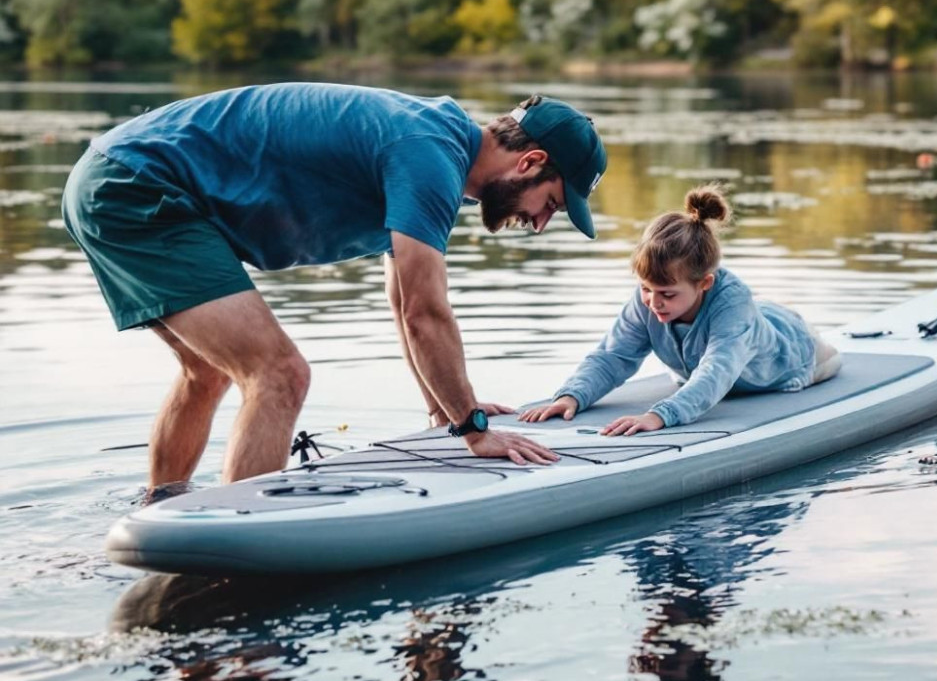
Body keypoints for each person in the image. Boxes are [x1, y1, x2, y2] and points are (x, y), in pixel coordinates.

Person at [62, 84, 607, 487]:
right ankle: (238, 550)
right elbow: (425, 313)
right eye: (552, 204)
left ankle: (165, 512)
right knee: (278, 374)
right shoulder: (429, 157)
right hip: (138, 181)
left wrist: (446, 410)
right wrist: (475, 429)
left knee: (207, 370)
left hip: (117, 173)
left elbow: (401, 305)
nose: (539, 223)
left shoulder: (434, 148)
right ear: (531, 161)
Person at [518, 184, 840, 435]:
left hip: (796, 356)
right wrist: (572, 396)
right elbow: (613, 356)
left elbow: (717, 372)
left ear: (704, 284)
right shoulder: (649, 301)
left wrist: (661, 415)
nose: (654, 302)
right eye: (646, 289)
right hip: (735, 334)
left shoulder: (732, 303)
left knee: (810, 348)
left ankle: (808, 336)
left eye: (667, 294)